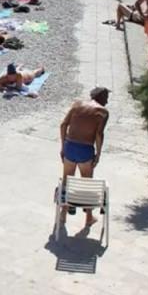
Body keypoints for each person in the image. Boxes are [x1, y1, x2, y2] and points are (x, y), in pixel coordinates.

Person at [58, 87, 110, 228]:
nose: (107, 101)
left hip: (70, 146)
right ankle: (88, 217)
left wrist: (63, 147)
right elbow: (99, 134)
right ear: (101, 98)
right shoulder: (103, 112)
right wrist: (98, 154)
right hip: (85, 150)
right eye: (106, 98)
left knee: (67, 181)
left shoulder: (77, 105)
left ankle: (63, 213)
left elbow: (63, 125)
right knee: (86, 185)